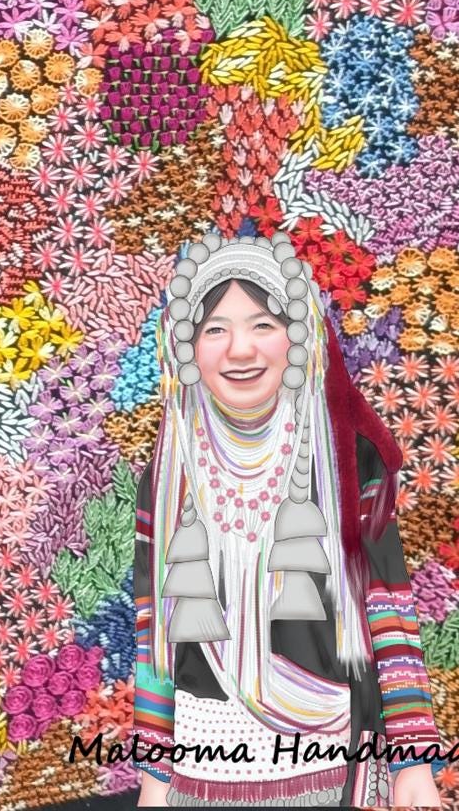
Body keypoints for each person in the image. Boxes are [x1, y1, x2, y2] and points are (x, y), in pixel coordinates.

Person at [131, 233, 444, 806]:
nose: (240, 350)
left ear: (298, 336)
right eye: (215, 329)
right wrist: (155, 778)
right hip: (203, 768)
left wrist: (413, 762)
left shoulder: (348, 457)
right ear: (188, 348)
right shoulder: (170, 471)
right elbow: (154, 633)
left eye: (262, 325)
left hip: (330, 761)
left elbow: (390, 611)